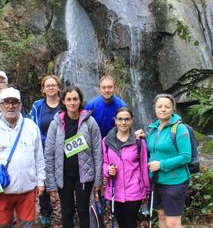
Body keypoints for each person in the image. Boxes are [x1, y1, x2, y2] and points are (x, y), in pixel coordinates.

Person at [0, 87, 46, 228]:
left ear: (20, 105)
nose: (10, 106)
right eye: (6, 102)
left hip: (27, 189)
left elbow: (39, 156)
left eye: (14, 102)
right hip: (1, 190)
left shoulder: (31, 127)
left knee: (28, 224)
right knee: (3, 225)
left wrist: (41, 181)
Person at [44, 86, 103, 228]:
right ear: (63, 101)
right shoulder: (56, 124)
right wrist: (50, 182)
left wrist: (98, 179)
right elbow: (49, 153)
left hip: (84, 175)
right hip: (63, 176)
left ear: (80, 100)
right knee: (67, 211)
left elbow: (97, 150)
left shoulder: (90, 122)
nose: (72, 103)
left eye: (75, 99)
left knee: (83, 211)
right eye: (68, 99)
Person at [146, 94, 191, 228]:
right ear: (155, 109)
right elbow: (154, 149)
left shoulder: (179, 128)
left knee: (173, 223)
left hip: (174, 182)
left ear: (172, 109)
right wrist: (143, 138)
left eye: (167, 107)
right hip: (157, 181)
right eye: (160, 106)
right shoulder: (153, 129)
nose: (163, 109)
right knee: (161, 216)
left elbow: (186, 156)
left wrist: (161, 165)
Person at [102, 107, 150, 228]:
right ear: (115, 120)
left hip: (134, 190)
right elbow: (104, 162)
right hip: (115, 190)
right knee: (121, 222)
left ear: (132, 121)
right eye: (120, 119)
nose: (123, 122)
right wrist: (108, 170)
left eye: (127, 119)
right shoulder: (106, 141)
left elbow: (144, 167)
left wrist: (147, 190)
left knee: (129, 222)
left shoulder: (139, 143)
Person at [29, 75, 62, 227]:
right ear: (43, 89)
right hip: (42, 149)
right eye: (47, 85)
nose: (50, 87)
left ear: (58, 87)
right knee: (44, 178)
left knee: (66, 180)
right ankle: (46, 212)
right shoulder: (37, 106)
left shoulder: (66, 104)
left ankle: (70, 210)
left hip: (63, 149)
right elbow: (32, 126)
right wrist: (46, 142)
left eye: (53, 85)